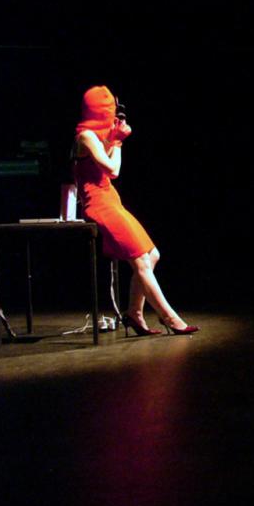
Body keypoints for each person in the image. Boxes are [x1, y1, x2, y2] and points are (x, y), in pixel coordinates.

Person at [73, 86, 198, 335]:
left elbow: (107, 165)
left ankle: (134, 313)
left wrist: (113, 138)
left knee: (152, 255)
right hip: (97, 203)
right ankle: (170, 318)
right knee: (140, 259)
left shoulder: (96, 135)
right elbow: (113, 170)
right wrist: (118, 141)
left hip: (111, 199)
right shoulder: (85, 136)